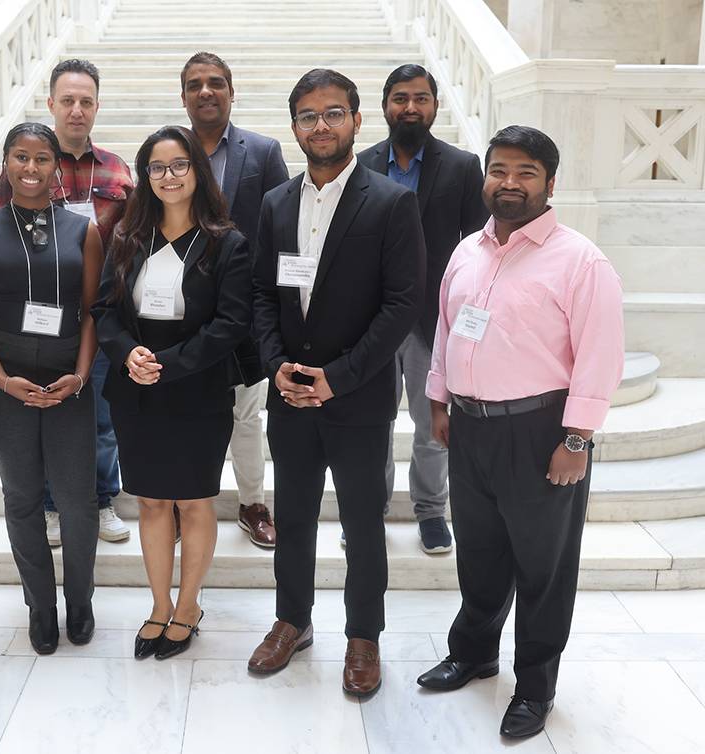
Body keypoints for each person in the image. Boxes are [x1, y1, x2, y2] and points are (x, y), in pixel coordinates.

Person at [417, 126, 625, 739]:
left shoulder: (581, 260)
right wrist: (438, 399)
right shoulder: (467, 251)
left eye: (526, 172)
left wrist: (577, 438)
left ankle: (534, 686)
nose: (510, 183)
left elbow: (601, 356)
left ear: (550, 183)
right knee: (480, 553)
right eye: (500, 170)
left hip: (541, 433)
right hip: (470, 427)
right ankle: (474, 653)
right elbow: (446, 328)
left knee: (543, 567)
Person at [247, 70, 425, 697]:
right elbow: (264, 296)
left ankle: (363, 636)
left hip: (357, 397)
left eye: (332, 113)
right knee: (292, 517)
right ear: (293, 126)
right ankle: (292, 621)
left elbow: (402, 303)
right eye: (307, 116)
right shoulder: (275, 203)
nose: (320, 125)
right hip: (291, 395)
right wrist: (277, 367)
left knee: (361, 521)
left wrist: (338, 378)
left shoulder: (390, 201)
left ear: (356, 119)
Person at [92, 126, 251, 660]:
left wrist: (168, 364)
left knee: (194, 499)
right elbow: (104, 312)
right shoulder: (127, 237)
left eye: (179, 164)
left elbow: (231, 324)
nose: (168, 176)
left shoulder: (227, 241)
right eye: (157, 167)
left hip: (198, 388)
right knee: (152, 501)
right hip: (136, 387)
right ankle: (159, 605)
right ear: (145, 176)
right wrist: (125, 353)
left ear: (197, 171)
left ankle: (189, 605)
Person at [0, 122, 104, 656]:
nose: (32, 169)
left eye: (42, 159)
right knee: (21, 498)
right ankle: (40, 605)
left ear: (55, 167)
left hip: (70, 378)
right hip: (4, 381)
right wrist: (2, 380)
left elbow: (92, 313)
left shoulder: (82, 230)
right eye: (21, 157)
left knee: (77, 501)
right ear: (6, 163)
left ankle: (81, 600)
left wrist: (82, 376)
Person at [0, 59, 134, 545]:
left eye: (86, 101)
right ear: (51, 103)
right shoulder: (28, 163)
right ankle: (52, 505)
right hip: (40, 325)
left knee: (100, 413)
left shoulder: (117, 169)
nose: (77, 110)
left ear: (96, 106)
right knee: (47, 414)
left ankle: (102, 498)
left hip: (99, 315)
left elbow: (133, 241)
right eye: (67, 100)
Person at [355, 64, 489, 553]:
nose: (410, 107)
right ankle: (368, 512)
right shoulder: (362, 163)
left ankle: (431, 511)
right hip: (370, 320)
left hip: (435, 320)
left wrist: (470, 321)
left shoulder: (461, 166)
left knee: (434, 422)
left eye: (420, 98)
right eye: (400, 98)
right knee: (373, 421)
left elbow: (480, 247)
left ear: (434, 105)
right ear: (385, 105)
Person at [181, 51, 290, 548]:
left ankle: (253, 503)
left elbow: (280, 228)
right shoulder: (168, 150)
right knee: (186, 413)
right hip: (177, 313)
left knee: (246, 415)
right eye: (196, 84)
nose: (207, 91)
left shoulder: (263, 152)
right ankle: (187, 501)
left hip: (242, 313)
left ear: (231, 90)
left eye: (216, 83)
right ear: (183, 96)